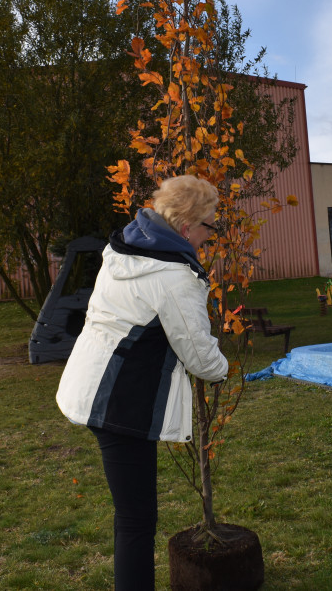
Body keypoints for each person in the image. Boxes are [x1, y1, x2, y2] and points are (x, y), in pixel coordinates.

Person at [56, 175, 228, 591]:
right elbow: (200, 355)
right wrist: (224, 368)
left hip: (98, 386)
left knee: (131, 517)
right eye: (209, 225)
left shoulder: (128, 248)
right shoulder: (172, 275)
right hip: (119, 401)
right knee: (136, 522)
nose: (211, 235)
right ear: (186, 227)